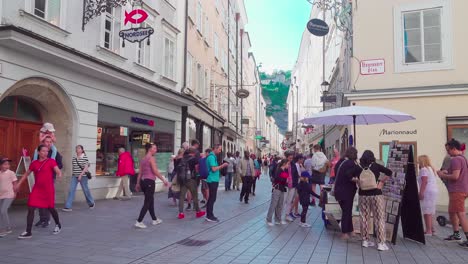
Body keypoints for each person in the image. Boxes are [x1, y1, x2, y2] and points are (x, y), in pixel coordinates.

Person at [16, 145, 62, 239]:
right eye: (43, 151)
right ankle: (28, 232)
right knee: (31, 208)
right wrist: (18, 184)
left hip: (48, 190)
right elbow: (26, 174)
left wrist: (59, 175)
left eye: (47, 151)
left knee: (51, 208)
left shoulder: (51, 161)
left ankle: (58, 224)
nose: (45, 153)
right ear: (38, 152)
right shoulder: (34, 163)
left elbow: (57, 170)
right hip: (37, 189)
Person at [353, 150, 392, 251]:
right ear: (372, 157)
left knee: (364, 218)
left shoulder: (358, 167)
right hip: (376, 194)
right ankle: (380, 243)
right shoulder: (375, 166)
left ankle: (365, 241)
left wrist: (358, 181)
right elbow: (389, 172)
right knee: (379, 218)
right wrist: (381, 182)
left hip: (363, 195)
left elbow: (348, 174)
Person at [437, 139, 468, 247]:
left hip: (457, 190)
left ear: (454, 149)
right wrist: (446, 172)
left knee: (460, 213)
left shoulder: (455, 160)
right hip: (461, 189)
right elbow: (456, 173)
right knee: (452, 212)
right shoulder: (463, 158)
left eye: (448, 150)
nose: (448, 153)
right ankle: (456, 234)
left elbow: (455, 176)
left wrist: (442, 175)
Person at [134, 143, 170, 229]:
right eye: (154, 148)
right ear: (150, 149)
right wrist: (164, 180)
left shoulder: (143, 159)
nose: (156, 150)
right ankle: (139, 221)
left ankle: (154, 219)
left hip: (143, 182)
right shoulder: (151, 158)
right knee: (147, 202)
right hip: (150, 182)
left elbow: (140, 173)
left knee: (150, 200)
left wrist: (138, 183)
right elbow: (155, 171)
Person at [32, 135, 62, 228]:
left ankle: (47, 220)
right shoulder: (39, 152)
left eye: (50, 142)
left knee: (47, 200)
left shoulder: (55, 153)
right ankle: (42, 219)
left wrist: (52, 168)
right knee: (39, 200)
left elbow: (60, 165)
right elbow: (34, 163)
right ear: (43, 142)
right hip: (39, 179)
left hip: (50, 178)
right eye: (46, 141)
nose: (48, 143)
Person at [333, 147, 359, 240]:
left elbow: (337, 174)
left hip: (339, 191)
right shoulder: (351, 163)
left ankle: (350, 230)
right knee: (346, 212)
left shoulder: (341, 162)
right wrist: (356, 179)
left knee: (346, 211)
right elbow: (350, 175)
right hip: (347, 191)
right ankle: (344, 233)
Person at [62, 145, 95, 212]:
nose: (77, 149)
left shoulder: (84, 157)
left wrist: (80, 175)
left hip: (83, 176)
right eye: (76, 148)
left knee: (85, 190)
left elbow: (86, 167)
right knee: (71, 190)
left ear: (82, 150)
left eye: (79, 148)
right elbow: (74, 167)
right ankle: (68, 206)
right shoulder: (74, 157)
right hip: (74, 176)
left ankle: (91, 203)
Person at [177, 148, 206, 219]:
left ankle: (181, 213)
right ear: (193, 153)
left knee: (182, 196)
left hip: (182, 180)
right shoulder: (194, 159)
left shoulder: (182, 159)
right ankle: (198, 212)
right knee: (195, 196)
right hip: (191, 180)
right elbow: (197, 169)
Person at [205, 144, 229, 222]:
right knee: (212, 198)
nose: (220, 151)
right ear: (215, 148)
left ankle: (210, 214)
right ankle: (209, 215)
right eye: (219, 149)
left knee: (212, 198)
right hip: (212, 180)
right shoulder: (211, 157)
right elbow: (214, 169)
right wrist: (223, 165)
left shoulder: (212, 156)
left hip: (213, 179)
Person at [417, 155, 439, 236]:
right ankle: (432, 229)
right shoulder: (430, 168)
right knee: (431, 210)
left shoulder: (423, 169)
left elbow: (424, 181)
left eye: (418, 161)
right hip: (433, 190)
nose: (417, 162)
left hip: (427, 191)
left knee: (427, 211)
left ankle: (428, 231)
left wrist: (421, 193)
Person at [266, 159, 289, 226]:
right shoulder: (279, 170)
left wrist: (285, 178)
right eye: (287, 164)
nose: (288, 165)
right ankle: (268, 219)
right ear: (284, 164)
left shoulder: (284, 170)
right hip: (277, 189)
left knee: (280, 205)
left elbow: (286, 178)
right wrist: (285, 179)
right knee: (273, 204)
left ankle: (278, 219)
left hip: (282, 189)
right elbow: (278, 179)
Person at [0, 157, 17, 237]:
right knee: (1, 212)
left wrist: (15, 193)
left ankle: (7, 228)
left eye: (8, 164)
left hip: (9, 194)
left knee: (3, 210)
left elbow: (15, 183)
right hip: (1, 195)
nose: (7, 166)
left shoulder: (11, 173)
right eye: (5, 164)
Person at [290, 154, 305, 220]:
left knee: (297, 198)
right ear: (299, 159)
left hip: (298, 184)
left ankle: (295, 212)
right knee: (296, 198)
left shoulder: (299, 165)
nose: (303, 160)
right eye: (302, 159)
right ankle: (290, 211)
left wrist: (302, 166)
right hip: (296, 184)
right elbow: (297, 175)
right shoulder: (296, 165)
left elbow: (304, 171)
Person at [283, 152, 297, 222]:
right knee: (284, 200)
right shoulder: (283, 164)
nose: (291, 159)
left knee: (289, 200)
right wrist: (287, 178)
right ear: (287, 157)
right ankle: (278, 215)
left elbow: (296, 174)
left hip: (292, 185)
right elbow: (280, 173)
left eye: (292, 158)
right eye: (290, 158)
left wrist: (295, 183)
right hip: (285, 185)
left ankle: (287, 215)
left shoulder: (293, 165)